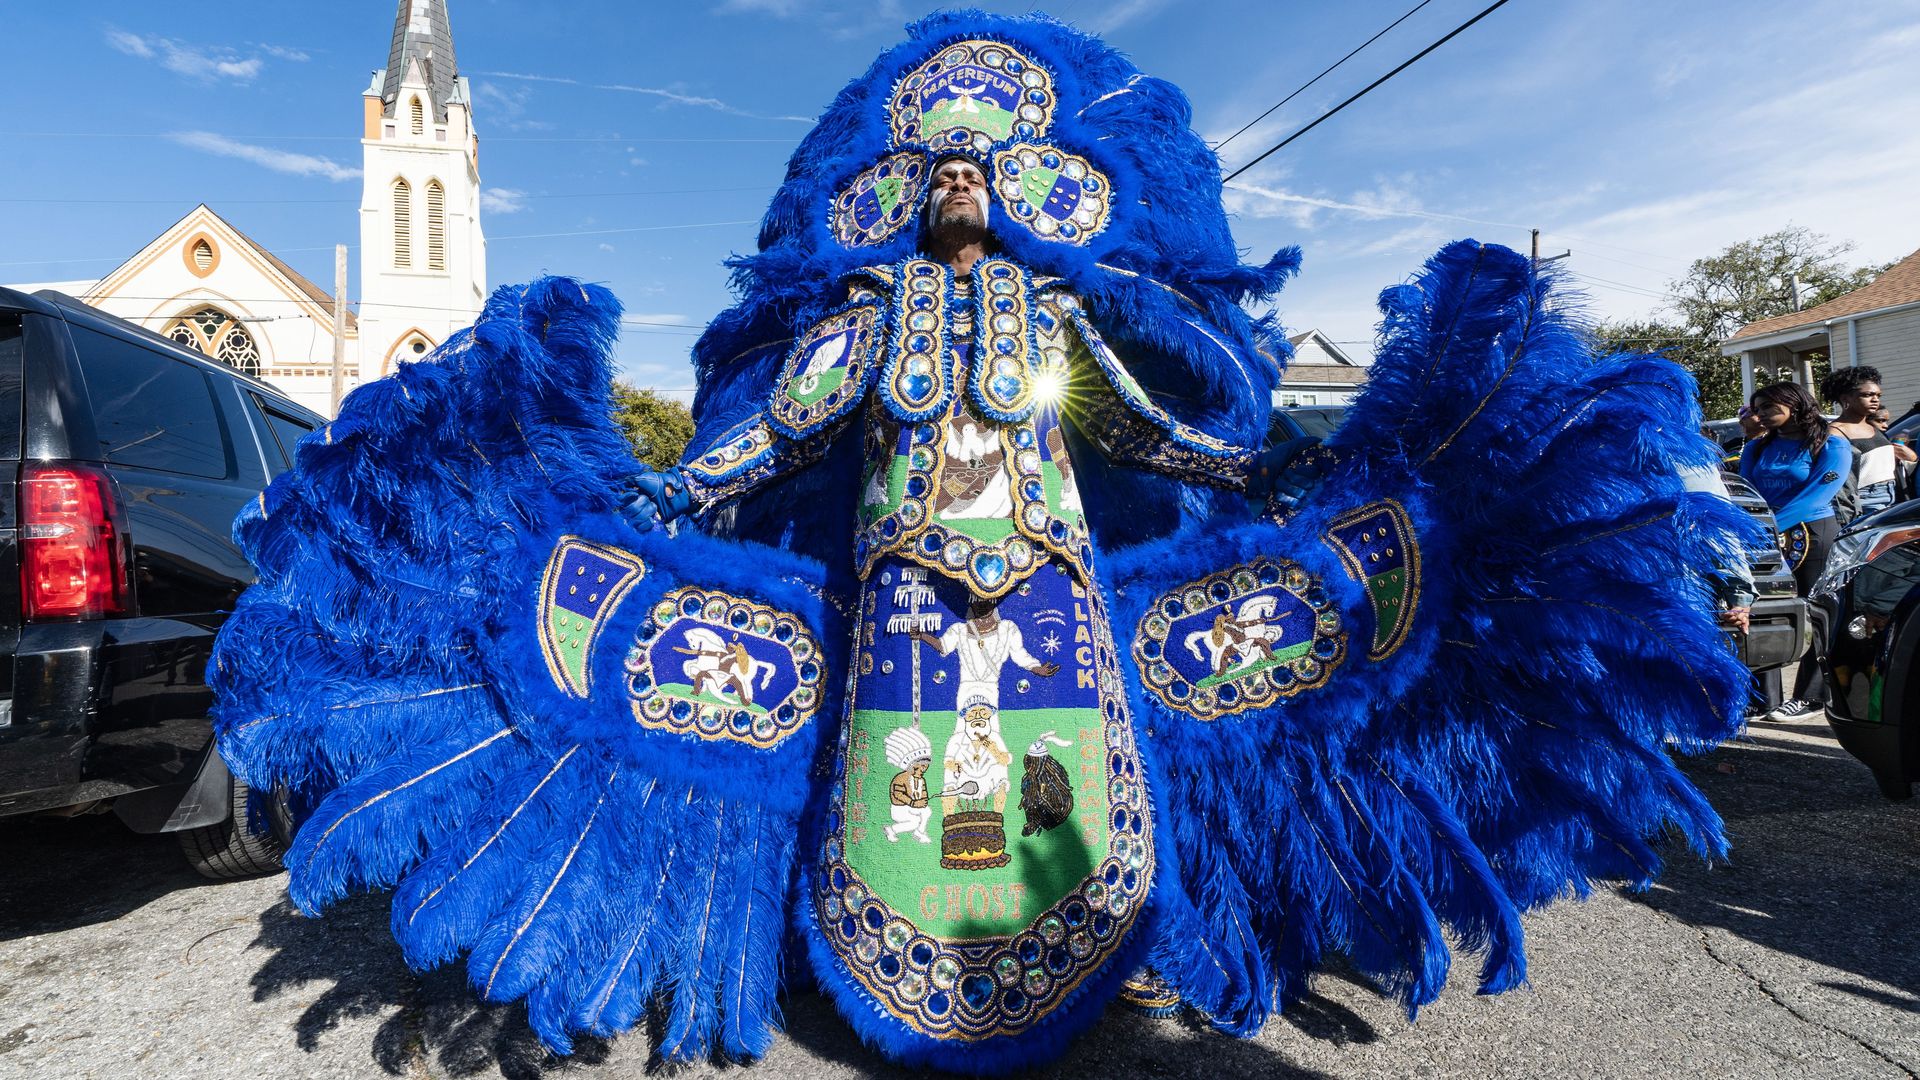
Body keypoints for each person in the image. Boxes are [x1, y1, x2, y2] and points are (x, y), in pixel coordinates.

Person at [210, 13, 1753, 1072]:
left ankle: (1120, 935)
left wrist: (1274, 459)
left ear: (1015, 194)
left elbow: (1153, 433)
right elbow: (777, 437)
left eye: (978, 170)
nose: (957, 183)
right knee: (865, 746)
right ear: (902, 201)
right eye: (933, 172)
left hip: (1047, 592)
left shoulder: (1058, 317)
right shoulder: (865, 325)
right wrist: (668, 498)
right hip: (896, 609)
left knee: (1108, 729)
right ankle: (862, 941)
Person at [1741, 381, 1852, 720]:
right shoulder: (1755, 448)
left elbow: (1818, 495)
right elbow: (1747, 491)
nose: (1761, 414)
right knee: (1761, 611)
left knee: (1815, 613)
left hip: (1813, 533)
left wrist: (1768, 526)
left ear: (1795, 404)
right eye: (1757, 409)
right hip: (1763, 538)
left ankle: (1811, 696)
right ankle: (1762, 697)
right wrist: (1752, 529)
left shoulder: (1830, 444)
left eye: (1768, 408)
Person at [1823, 366, 1915, 523]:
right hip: (1865, 498)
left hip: (1893, 494)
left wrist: (1910, 457)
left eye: (1878, 395)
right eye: (1867, 395)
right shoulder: (1835, 432)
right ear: (1846, 399)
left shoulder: (1873, 427)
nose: (1875, 400)